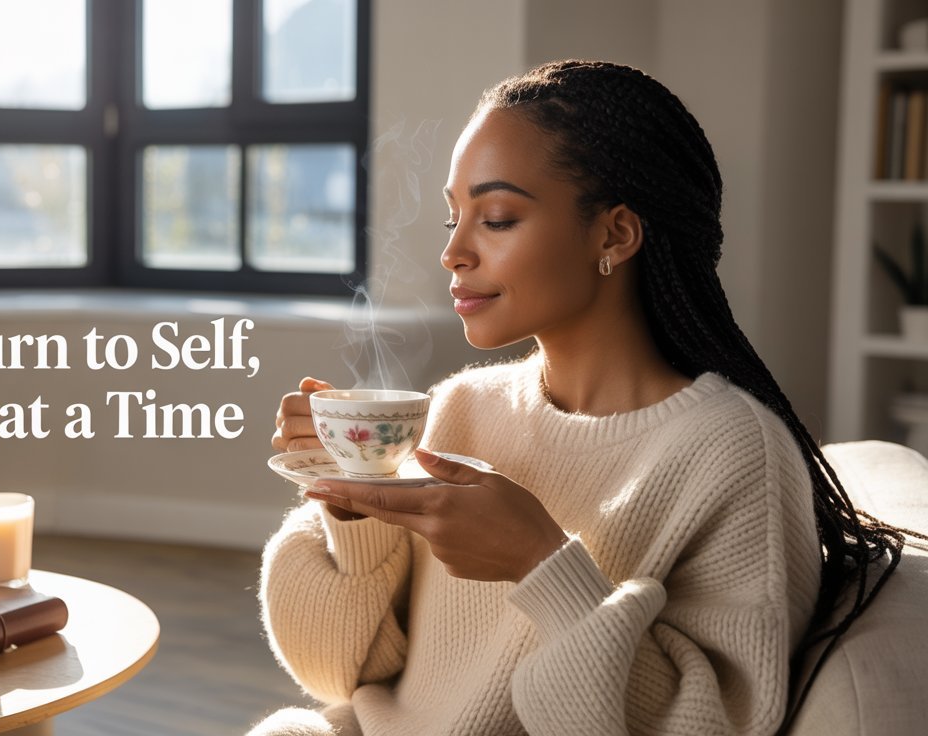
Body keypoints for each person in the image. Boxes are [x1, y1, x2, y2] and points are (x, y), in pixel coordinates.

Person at [250, 59, 907, 736]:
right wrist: (351, 501)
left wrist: (539, 564)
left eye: (498, 218)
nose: (454, 253)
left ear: (614, 234)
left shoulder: (734, 451)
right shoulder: (460, 409)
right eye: (455, 217)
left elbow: (707, 723)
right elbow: (341, 671)